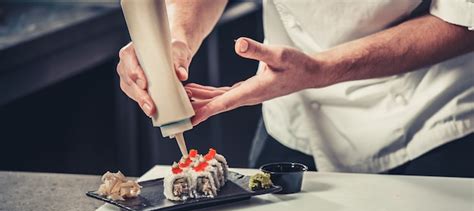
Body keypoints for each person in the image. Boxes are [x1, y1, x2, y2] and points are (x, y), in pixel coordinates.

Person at [117, 0, 474, 177]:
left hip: (427, 122)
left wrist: (321, 69)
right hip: (290, 117)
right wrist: (177, 38)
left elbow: (463, 19)